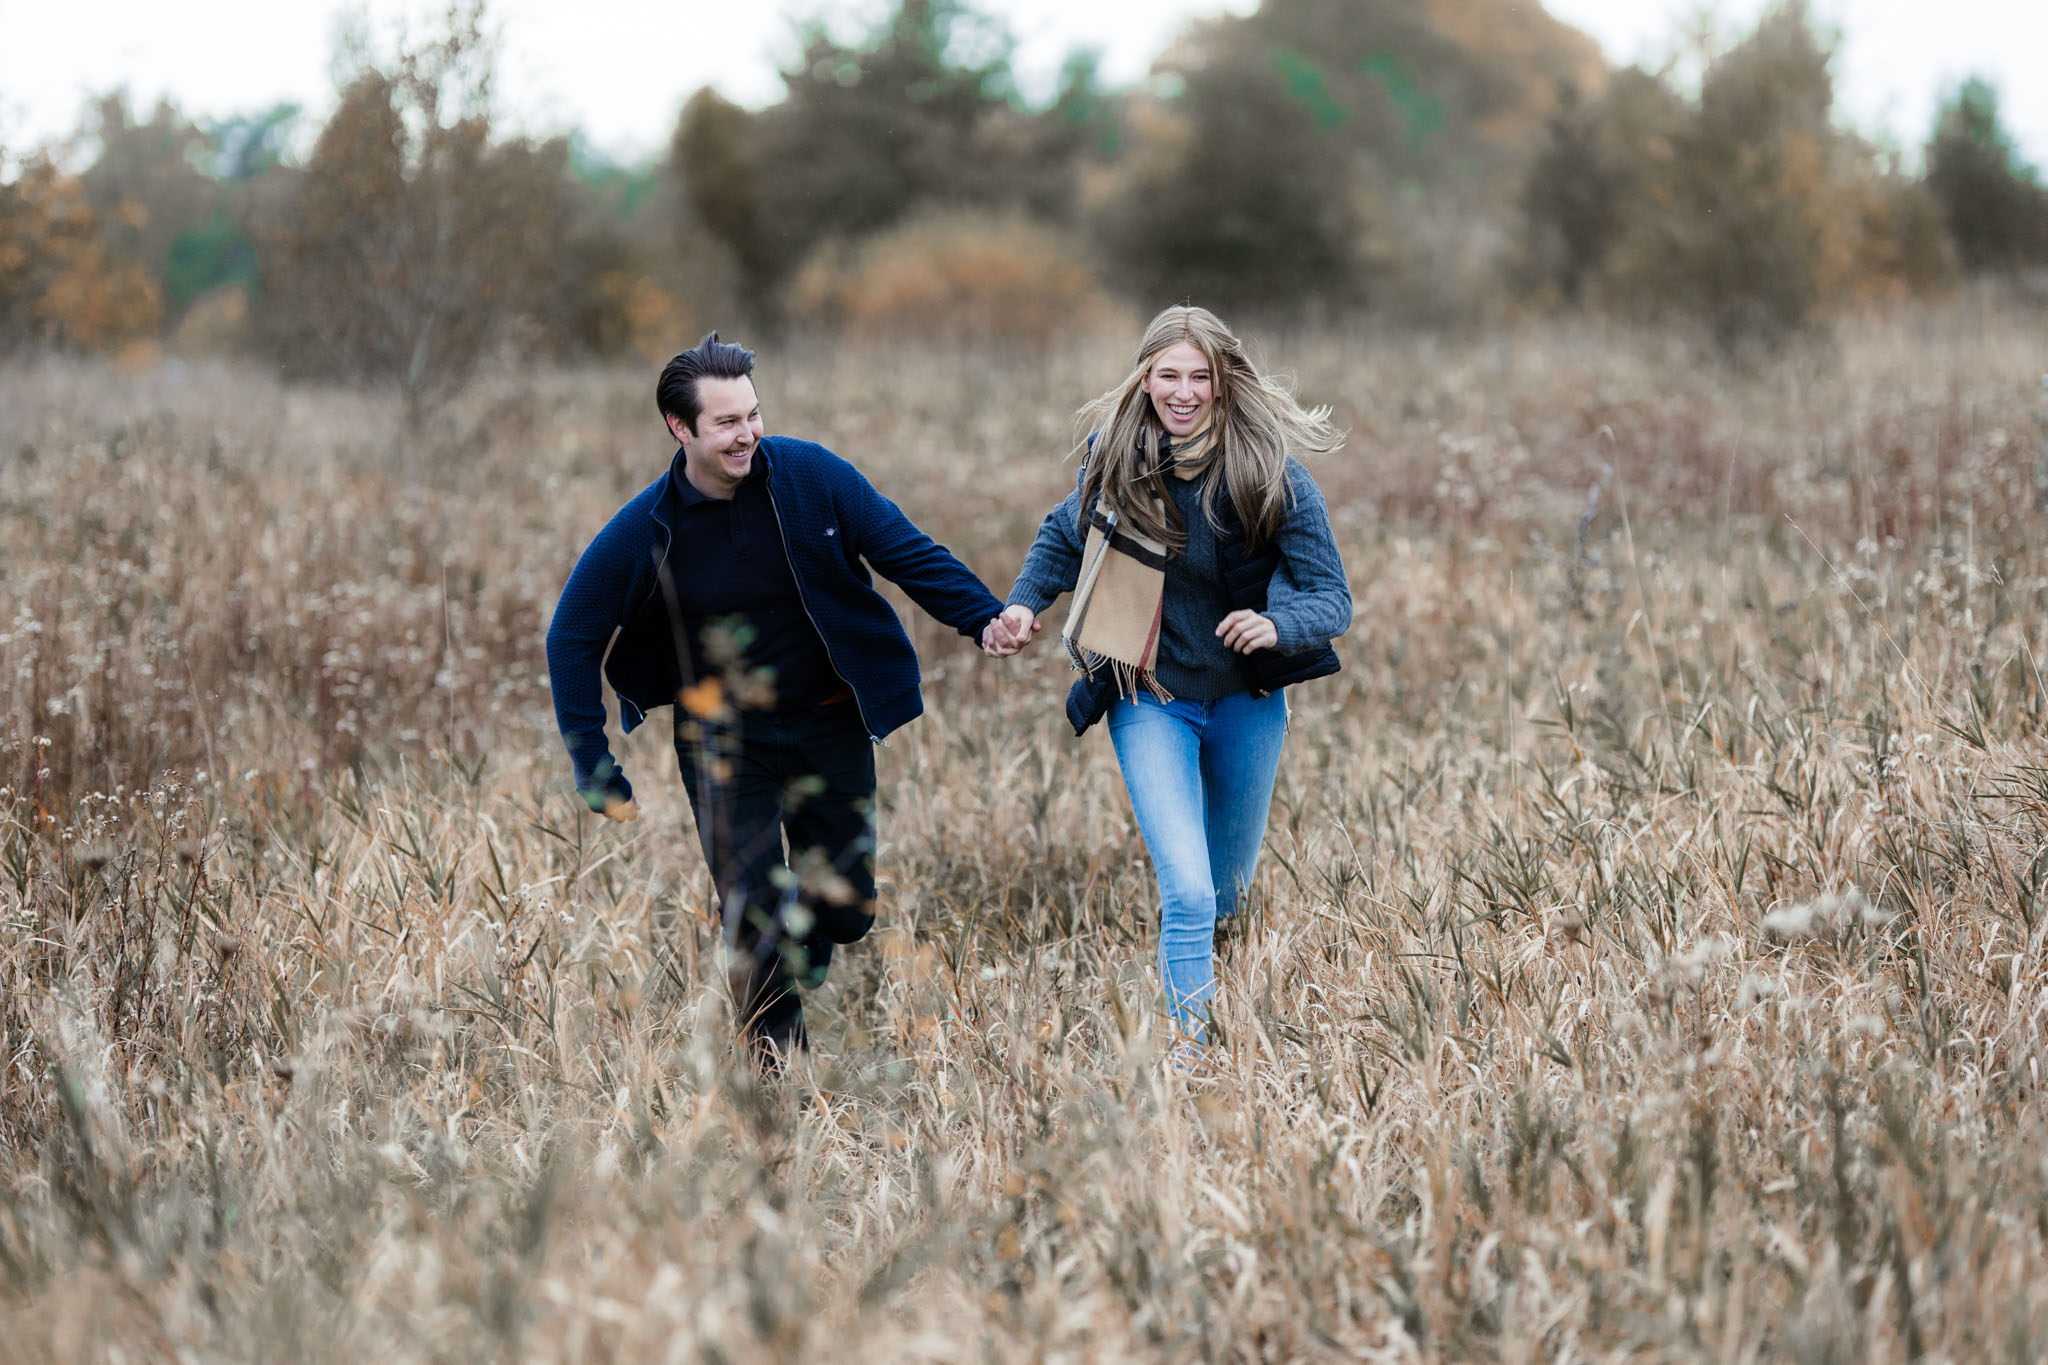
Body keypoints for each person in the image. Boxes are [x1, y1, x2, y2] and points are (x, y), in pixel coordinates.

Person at [546, 331, 1009, 1068]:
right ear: (680, 427)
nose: (747, 434)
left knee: (848, 910)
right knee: (752, 908)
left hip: (828, 723)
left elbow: (904, 549)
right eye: (727, 422)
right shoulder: (647, 527)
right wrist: (591, 760)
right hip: (722, 742)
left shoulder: (811, 477)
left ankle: (803, 935)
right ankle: (778, 1071)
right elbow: (572, 635)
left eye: (753, 414)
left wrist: (983, 617)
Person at [983, 305, 1351, 1051]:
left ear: (1223, 381)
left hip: (1248, 702)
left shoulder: (1268, 471)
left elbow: (1331, 596)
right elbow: (1063, 534)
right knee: (1186, 890)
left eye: (1199, 377)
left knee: (1225, 897)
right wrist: (1022, 604)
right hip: (1149, 696)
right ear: (1145, 379)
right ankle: (1190, 1061)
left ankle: (1231, 1016)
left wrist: (1278, 625)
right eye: (1168, 375)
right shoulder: (1116, 462)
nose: (1183, 392)